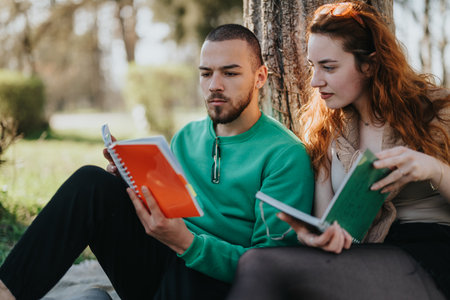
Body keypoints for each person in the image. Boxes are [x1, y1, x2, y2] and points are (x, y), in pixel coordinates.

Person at [0, 24, 315, 300]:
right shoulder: (187, 137)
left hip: (220, 284)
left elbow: (271, 266)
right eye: (206, 73)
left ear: (260, 77)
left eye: (230, 73)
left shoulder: (285, 155)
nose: (214, 85)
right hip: (164, 262)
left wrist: (189, 244)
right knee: (92, 183)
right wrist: (130, 181)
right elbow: (170, 206)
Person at [227, 2, 450, 299]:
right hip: (365, 255)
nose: (316, 81)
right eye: (312, 67)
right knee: (257, 262)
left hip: (431, 255)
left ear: (369, 65)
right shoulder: (326, 131)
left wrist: (434, 169)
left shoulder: (434, 110)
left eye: (329, 67)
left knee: (262, 266)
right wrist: (319, 237)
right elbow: (330, 225)